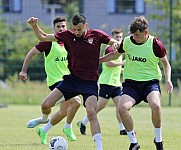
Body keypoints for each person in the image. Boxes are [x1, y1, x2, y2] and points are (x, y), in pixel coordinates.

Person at [27, 14, 119, 150]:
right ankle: (45, 120)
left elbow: (114, 43)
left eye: (80, 29)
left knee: (91, 112)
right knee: (46, 105)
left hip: (89, 83)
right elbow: (43, 37)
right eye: (75, 29)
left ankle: (99, 148)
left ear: (86, 26)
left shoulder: (97, 35)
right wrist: (34, 26)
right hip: (72, 80)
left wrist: (115, 44)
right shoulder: (68, 35)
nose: (76, 32)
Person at [99, 16, 173, 150]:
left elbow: (166, 64)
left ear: (146, 32)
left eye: (137, 35)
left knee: (156, 105)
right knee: (122, 108)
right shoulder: (127, 41)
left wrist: (168, 79)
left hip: (150, 83)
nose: (135, 38)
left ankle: (158, 140)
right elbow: (115, 55)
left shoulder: (155, 43)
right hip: (131, 84)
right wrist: (98, 60)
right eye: (133, 35)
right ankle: (134, 142)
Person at [19, 16, 81, 145]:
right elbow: (31, 53)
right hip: (55, 81)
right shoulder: (49, 42)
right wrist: (24, 70)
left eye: (63, 26)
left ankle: (43, 129)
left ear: (67, 28)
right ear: (54, 29)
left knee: (64, 111)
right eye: (58, 27)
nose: (61, 28)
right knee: (76, 102)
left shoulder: (70, 42)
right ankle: (67, 127)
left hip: (69, 80)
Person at [77, 28, 127, 136]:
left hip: (116, 83)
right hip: (107, 82)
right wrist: (121, 63)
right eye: (117, 37)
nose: (119, 39)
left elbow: (116, 68)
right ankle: (83, 122)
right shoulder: (110, 48)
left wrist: (123, 69)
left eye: (120, 37)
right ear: (112, 37)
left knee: (121, 106)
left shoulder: (120, 50)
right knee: (99, 106)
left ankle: (122, 128)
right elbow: (108, 63)